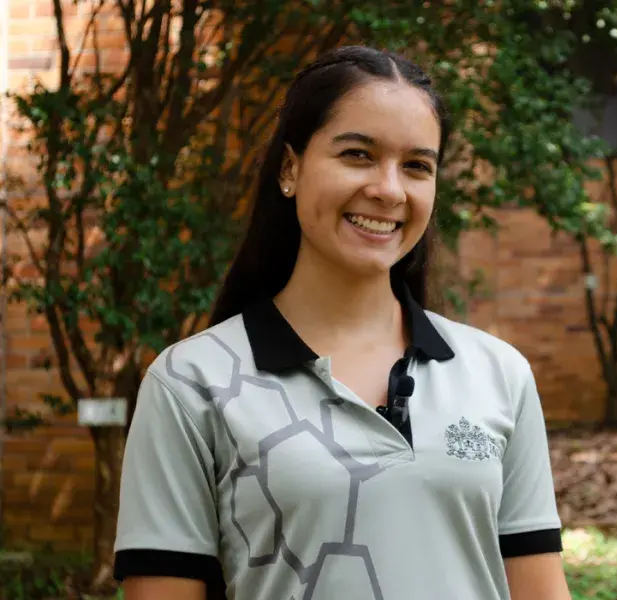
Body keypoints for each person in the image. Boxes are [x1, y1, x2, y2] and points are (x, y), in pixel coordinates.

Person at [113, 45, 572, 600]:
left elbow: (540, 591)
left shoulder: (498, 374)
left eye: (417, 166)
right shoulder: (191, 384)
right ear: (290, 168)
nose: (388, 189)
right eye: (357, 154)